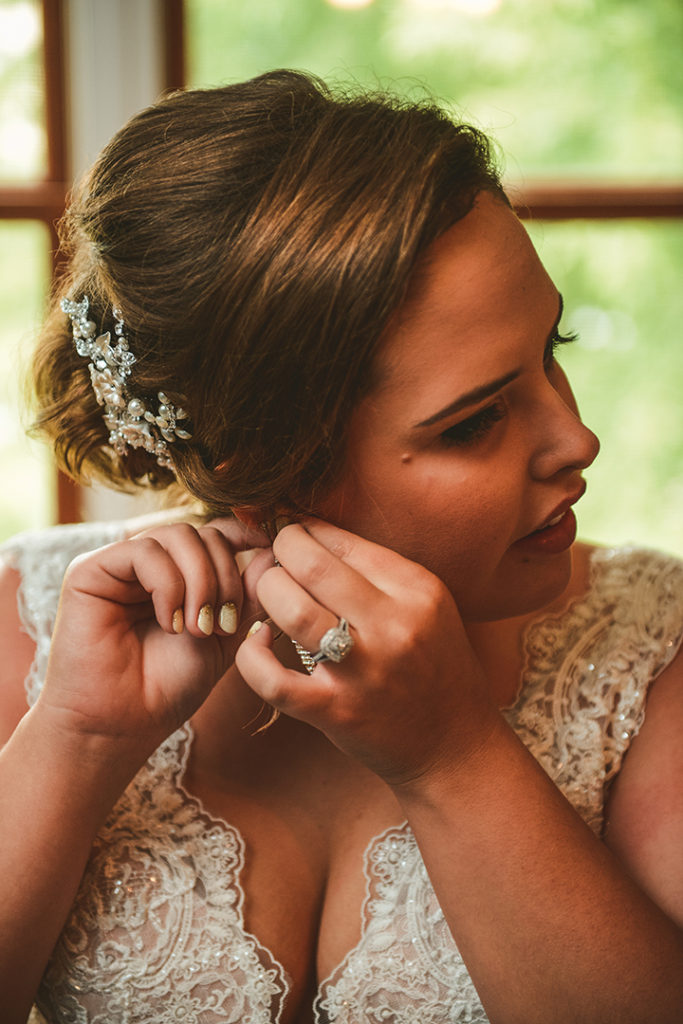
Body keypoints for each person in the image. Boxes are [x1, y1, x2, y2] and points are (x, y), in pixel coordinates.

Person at [0, 69, 681, 1024]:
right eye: (475, 421)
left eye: (552, 351)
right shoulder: (31, 625)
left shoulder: (652, 649)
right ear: (267, 461)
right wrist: (77, 737)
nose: (577, 441)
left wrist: (453, 754)